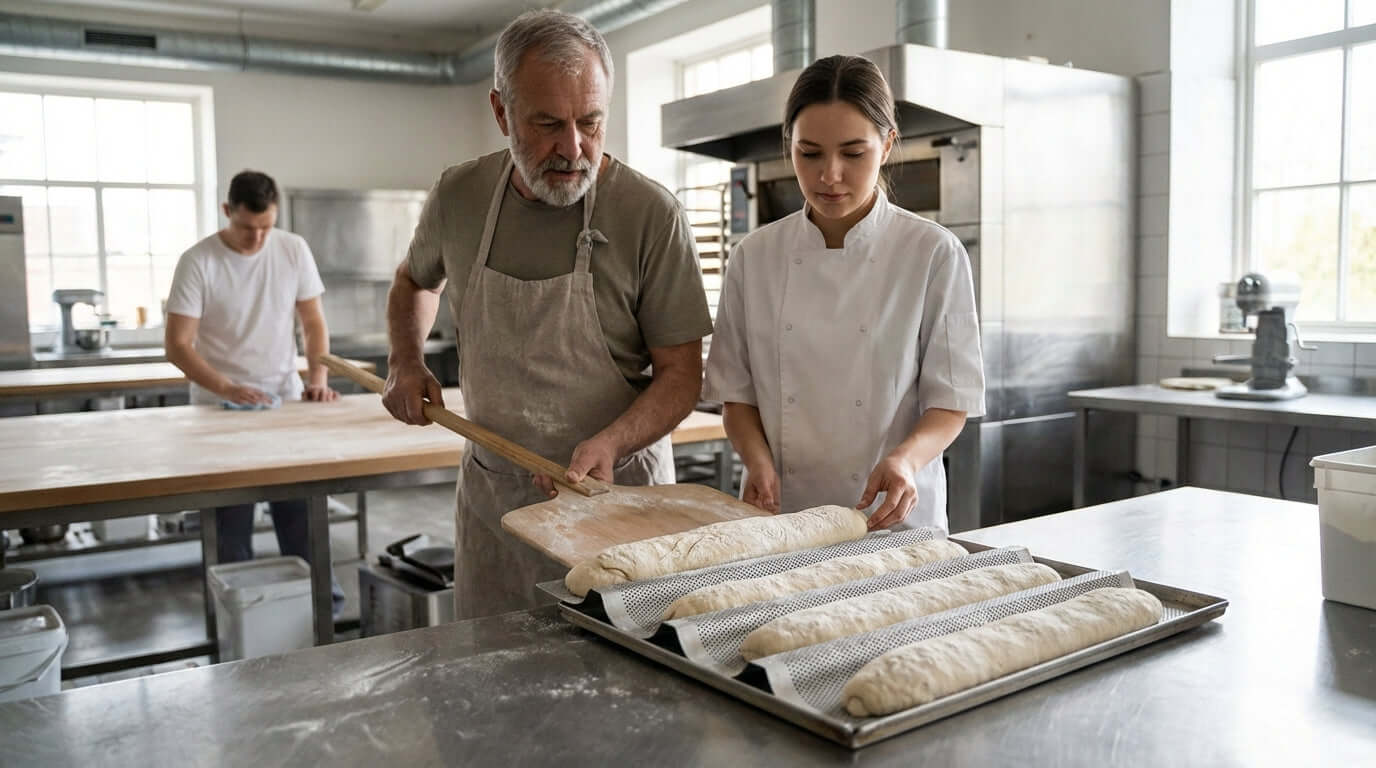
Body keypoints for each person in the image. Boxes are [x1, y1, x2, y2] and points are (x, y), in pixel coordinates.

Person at [383, 10, 713, 619]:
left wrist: (612, 441)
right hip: (498, 505)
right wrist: (404, 361)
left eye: (591, 122)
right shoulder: (460, 196)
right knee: (494, 678)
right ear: (501, 112)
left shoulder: (649, 215)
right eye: (547, 124)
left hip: (617, 504)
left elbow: (681, 377)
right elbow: (412, 279)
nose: (573, 148)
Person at [704, 55, 986, 532]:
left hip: (892, 518)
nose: (829, 175)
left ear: (888, 143)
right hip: (784, 515)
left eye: (853, 154)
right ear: (788, 146)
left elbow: (951, 400)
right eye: (808, 153)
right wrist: (757, 462)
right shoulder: (754, 257)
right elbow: (737, 394)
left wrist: (905, 460)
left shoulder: (932, 253)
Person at [164, 169, 345, 612]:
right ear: (227, 212)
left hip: (283, 399)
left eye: (266, 227)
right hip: (217, 408)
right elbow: (177, 345)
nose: (258, 240)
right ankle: (239, 613)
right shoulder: (198, 260)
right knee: (230, 521)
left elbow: (313, 322)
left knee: (300, 510)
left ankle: (320, 603)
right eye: (247, 228)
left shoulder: (292, 248)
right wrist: (228, 387)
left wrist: (316, 381)